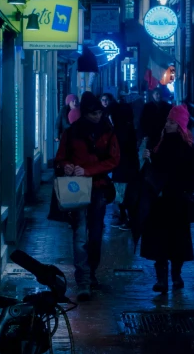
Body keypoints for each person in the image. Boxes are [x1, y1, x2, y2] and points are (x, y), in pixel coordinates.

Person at [55, 92, 120, 301]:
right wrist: (68, 166)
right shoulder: (72, 132)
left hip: (99, 187)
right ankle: (83, 279)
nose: (97, 117)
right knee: (80, 233)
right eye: (93, 113)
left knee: (95, 233)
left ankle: (90, 272)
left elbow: (114, 159)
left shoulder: (108, 132)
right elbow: (60, 158)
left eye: (100, 113)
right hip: (77, 188)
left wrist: (88, 170)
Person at [140, 104, 194, 293]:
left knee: (165, 240)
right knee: (171, 241)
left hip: (169, 199)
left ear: (179, 124)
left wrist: (153, 159)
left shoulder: (178, 144)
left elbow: (173, 169)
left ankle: (169, 277)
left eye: (172, 122)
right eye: (168, 121)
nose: (168, 124)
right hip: (168, 200)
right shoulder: (168, 141)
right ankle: (169, 277)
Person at [110, 90, 139, 230]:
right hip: (130, 167)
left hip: (121, 167)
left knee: (121, 195)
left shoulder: (118, 130)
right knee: (127, 194)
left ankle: (125, 218)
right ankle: (128, 218)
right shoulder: (130, 128)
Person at [139, 86, 171, 150]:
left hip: (164, 133)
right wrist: (144, 134)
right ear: (153, 95)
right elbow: (143, 121)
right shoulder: (147, 107)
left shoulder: (167, 106)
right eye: (157, 94)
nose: (159, 96)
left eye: (160, 94)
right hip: (151, 134)